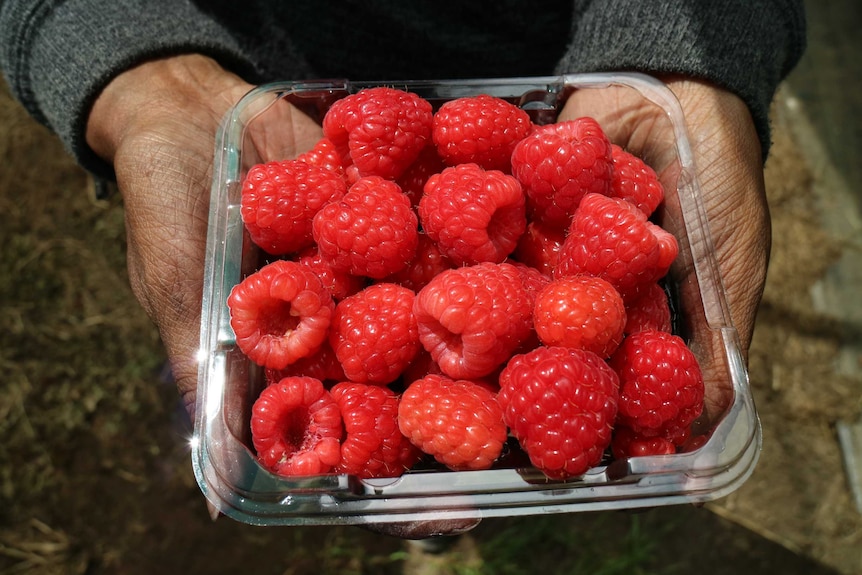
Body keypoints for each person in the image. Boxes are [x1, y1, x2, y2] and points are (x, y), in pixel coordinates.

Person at [0, 0, 806, 538]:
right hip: (248, 66)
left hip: (571, 59)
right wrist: (142, 76)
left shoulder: (518, 241)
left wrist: (690, 67)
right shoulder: (378, 226)